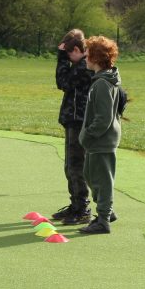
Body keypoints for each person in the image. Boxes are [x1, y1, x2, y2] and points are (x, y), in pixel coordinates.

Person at [78, 35, 123, 235]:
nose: (85, 57)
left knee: (102, 180)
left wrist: (87, 134)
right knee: (90, 175)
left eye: (87, 54)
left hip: (102, 140)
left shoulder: (102, 84)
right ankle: (107, 211)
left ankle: (103, 219)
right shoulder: (100, 81)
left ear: (95, 58)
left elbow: (103, 118)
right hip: (97, 141)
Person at [52, 29, 94, 225]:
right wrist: (64, 55)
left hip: (79, 120)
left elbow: (63, 82)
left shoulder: (84, 65)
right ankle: (75, 205)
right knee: (70, 166)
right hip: (73, 119)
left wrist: (61, 57)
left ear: (76, 50)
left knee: (76, 166)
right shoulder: (79, 64)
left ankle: (83, 208)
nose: (68, 58)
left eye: (69, 54)